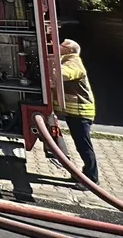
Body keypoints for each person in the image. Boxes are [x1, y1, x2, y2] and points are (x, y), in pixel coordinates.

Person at [52, 39, 99, 186]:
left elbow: (65, 74)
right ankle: (85, 175)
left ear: (70, 50)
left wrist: (50, 68)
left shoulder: (74, 62)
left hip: (81, 112)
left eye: (62, 46)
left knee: (84, 146)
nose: (58, 47)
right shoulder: (65, 60)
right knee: (81, 145)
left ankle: (91, 179)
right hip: (75, 113)